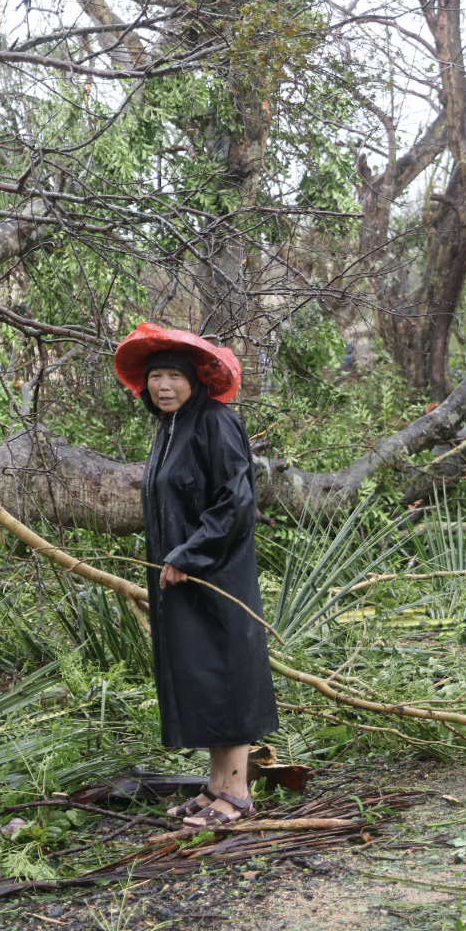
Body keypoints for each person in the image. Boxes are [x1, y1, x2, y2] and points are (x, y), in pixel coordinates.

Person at [113, 323, 279, 827]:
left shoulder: (214, 420)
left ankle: (238, 792)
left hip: (215, 574)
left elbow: (236, 499)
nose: (164, 386)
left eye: (174, 376)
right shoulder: (169, 428)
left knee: (225, 672)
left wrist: (190, 554)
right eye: (156, 377)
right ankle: (214, 786)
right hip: (179, 577)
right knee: (201, 676)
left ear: (194, 380)